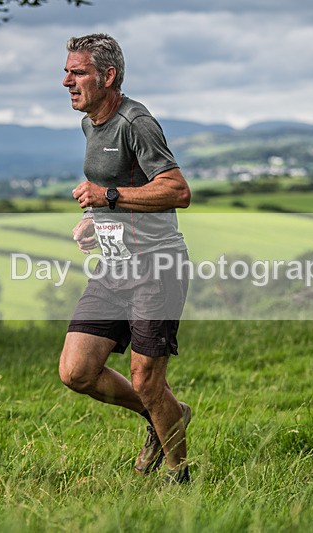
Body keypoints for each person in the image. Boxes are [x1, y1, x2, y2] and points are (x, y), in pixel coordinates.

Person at [58, 33, 193, 483]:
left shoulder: (137, 123)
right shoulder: (90, 124)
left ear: (108, 76)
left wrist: (107, 196)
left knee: (147, 381)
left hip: (157, 268)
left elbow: (177, 191)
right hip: (114, 266)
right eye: (67, 71)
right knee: (77, 371)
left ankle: (179, 478)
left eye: (77, 72)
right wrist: (95, 222)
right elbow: (114, 201)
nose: (67, 81)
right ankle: (166, 415)